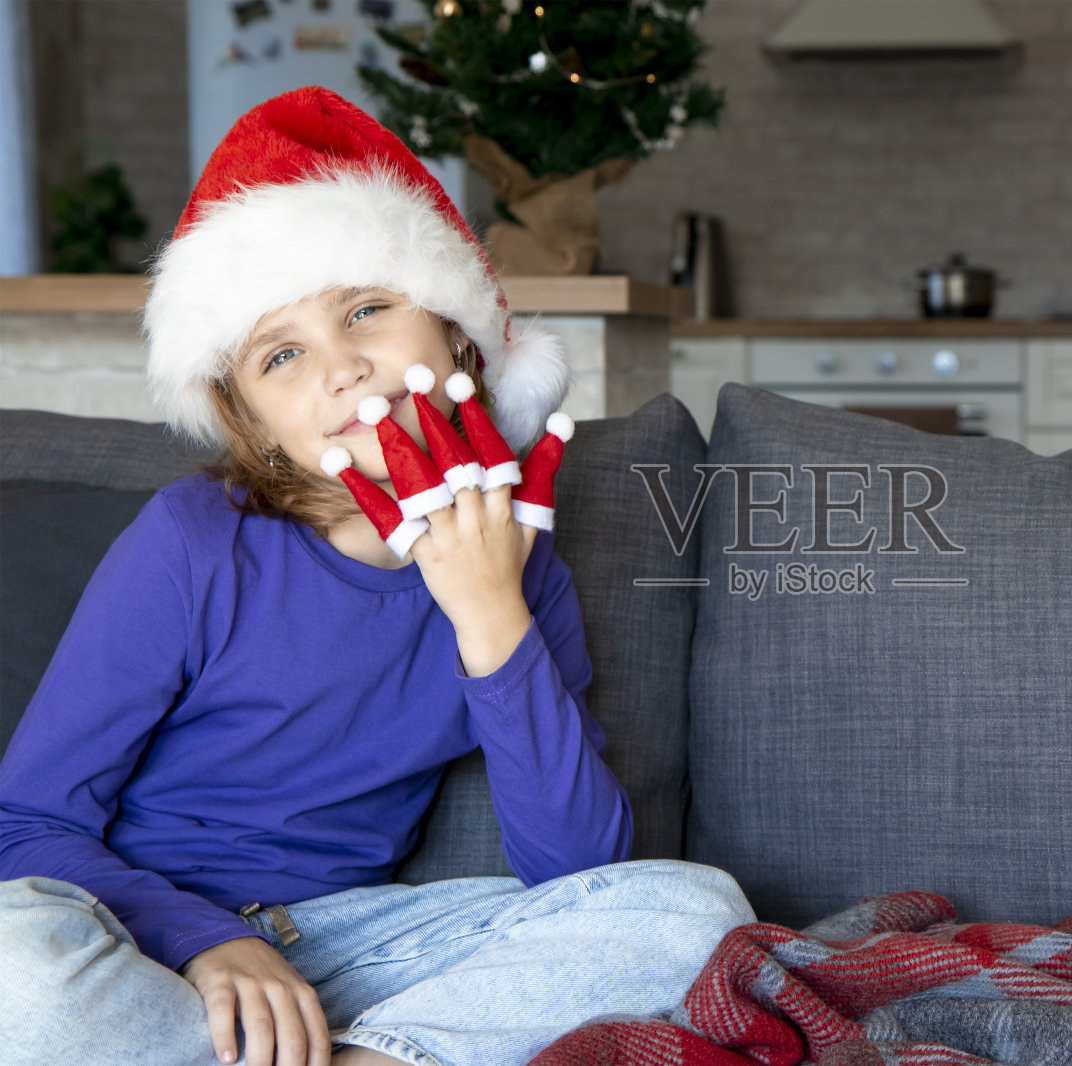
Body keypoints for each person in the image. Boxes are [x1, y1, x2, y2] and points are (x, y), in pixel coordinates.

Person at [0, 86, 754, 1066]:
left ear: (454, 334)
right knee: (19, 968)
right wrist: (207, 938)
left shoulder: (519, 557)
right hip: (136, 935)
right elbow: (26, 823)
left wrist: (490, 614)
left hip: (345, 943)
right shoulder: (195, 539)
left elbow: (577, 868)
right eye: (283, 354)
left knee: (694, 913)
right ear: (255, 422)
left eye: (367, 310)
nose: (343, 368)